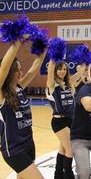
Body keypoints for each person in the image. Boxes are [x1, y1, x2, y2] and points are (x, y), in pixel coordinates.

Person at [0, 39, 46, 179]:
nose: (20, 73)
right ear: (8, 73)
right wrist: (17, 42)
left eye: (20, 69)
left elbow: (34, 68)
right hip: (14, 150)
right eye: (16, 70)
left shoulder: (19, 87)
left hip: (28, 144)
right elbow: (3, 68)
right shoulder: (1, 93)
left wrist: (43, 50)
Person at [46, 59, 84, 179]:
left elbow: (80, 73)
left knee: (63, 149)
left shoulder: (68, 83)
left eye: (64, 69)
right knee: (70, 150)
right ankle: (68, 175)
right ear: (55, 70)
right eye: (60, 69)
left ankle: (58, 175)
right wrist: (53, 57)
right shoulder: (52, 85)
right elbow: (50, 70)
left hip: (70, 120)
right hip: (59, 121)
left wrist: (84, 61)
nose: (62, 71)